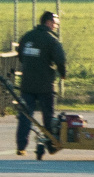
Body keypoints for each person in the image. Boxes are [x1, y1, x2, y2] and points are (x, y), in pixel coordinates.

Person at [15, 11, 66, 157]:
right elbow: (60, 60)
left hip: (27, 84)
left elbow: (21, 55)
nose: (56, 27)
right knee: (48, 117)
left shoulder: (27, 36)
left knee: (25, 115)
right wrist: (62, 73)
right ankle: (51, 145)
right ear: (49, 22)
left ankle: (21, 147)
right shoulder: (51, 40)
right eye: (55, 24)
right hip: (45, 86)